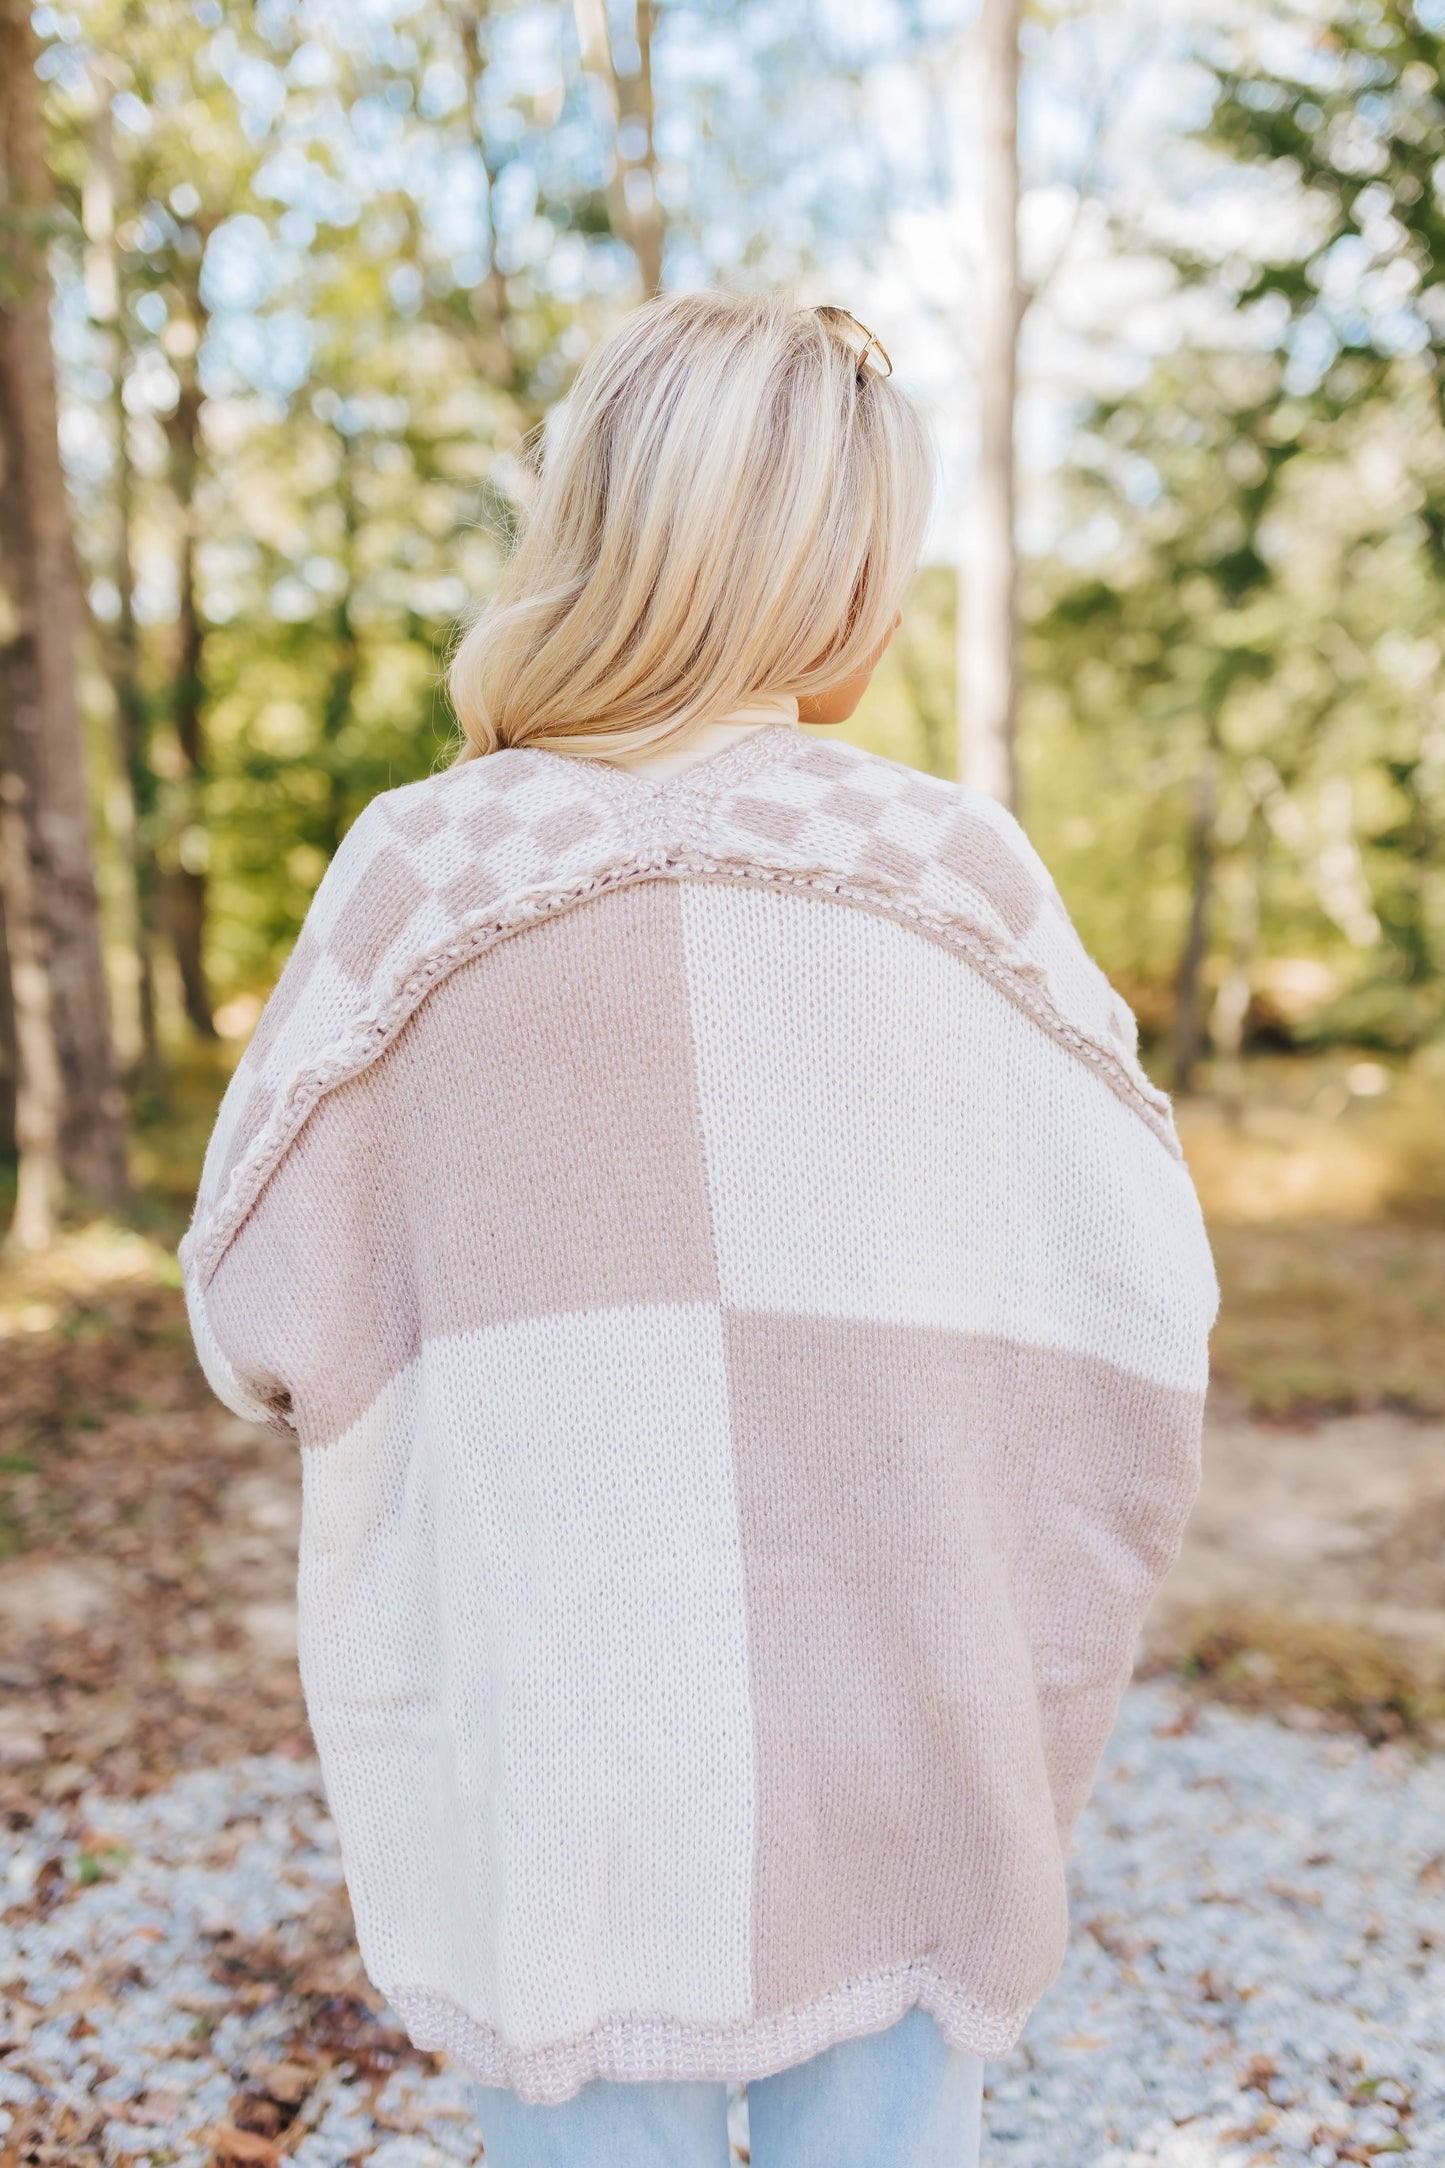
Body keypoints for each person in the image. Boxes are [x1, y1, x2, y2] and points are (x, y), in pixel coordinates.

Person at [182, 292, 1217, 2167]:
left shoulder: (428, 871)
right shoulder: (947, 872)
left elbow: (254, 1297)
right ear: (838, 592)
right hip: (902, 1698)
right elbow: (1138, 1283)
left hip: (561, 1712)